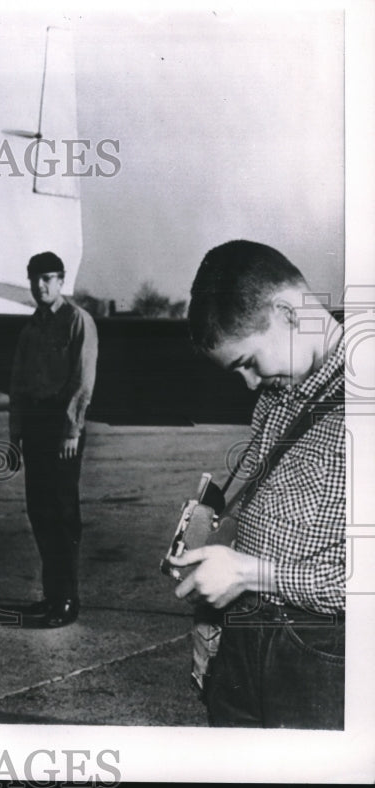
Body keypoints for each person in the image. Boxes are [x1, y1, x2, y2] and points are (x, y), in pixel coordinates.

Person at [170, 240, 345, 729]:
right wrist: (212, 611)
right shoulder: (279, 392)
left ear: (288, 313)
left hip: (322, 656)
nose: (249, 383)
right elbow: (255, 508)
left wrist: (250, 575)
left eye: (249, 361)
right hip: (244, 640)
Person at [9, 252, 98, 628]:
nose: (40, 286)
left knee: (62, 515)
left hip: (61, 427)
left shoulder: (77, 320)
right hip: (35, 426)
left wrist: (71, 430)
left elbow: (83, 379)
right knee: (40, 512)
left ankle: (66, 601)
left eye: (48, 278)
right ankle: (51, 596)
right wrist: (15, 435)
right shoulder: (31, 328)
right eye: (35, 279)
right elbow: (18, 385)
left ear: (61, 281)